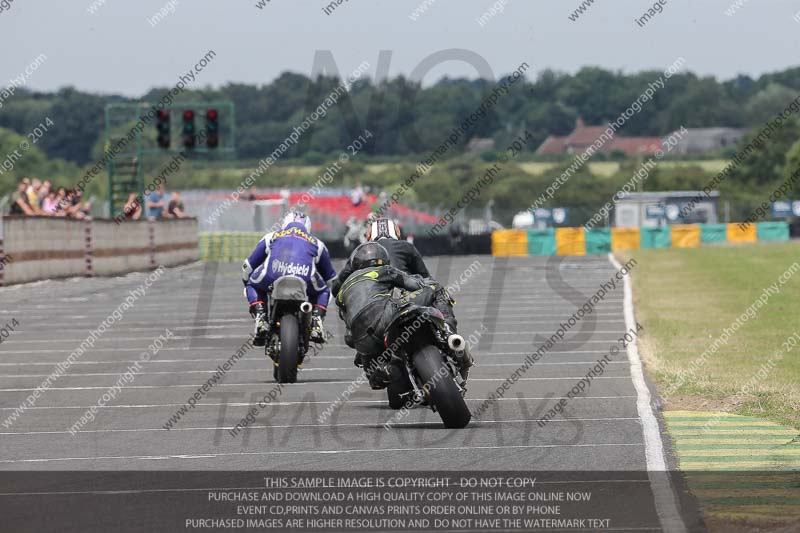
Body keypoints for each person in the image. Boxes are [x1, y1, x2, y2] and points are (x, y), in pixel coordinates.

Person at [334, 218, 471, 373]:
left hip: (362, 330)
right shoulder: (404, 248)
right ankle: (449, 332)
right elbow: (425, 277)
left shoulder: (358, 253)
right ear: (396, 232)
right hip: (397, 304)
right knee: (436, 288)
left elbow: (337, 287)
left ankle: (369, 360)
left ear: (369, 236)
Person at [242, 211, 336, 347]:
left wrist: (246, 284)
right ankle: (316, 323)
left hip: (273, 275)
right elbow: (331, 278)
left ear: (284, 225)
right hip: (304, 277)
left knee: (252, 285)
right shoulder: (317, 243)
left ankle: (261, 316)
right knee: (324, 291)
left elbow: (248, 266)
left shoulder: (271, 236)